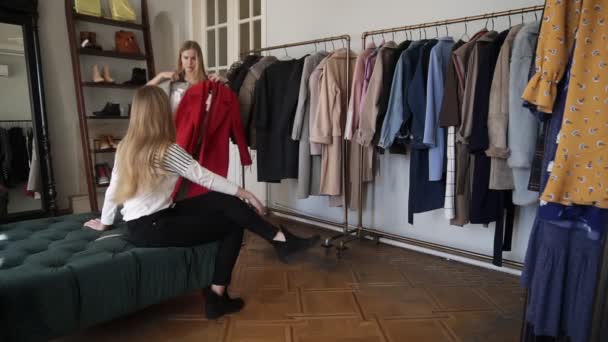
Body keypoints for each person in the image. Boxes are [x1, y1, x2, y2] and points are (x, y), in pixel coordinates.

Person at [84, 86, 319, 319]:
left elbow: (113, 189)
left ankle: (279, 239)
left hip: (143, 225)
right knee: (234, 223)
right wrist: (246, 193)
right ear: (161, 113)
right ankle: (217, 297)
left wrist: (105, 223)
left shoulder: (125, 146)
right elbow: (204, 176)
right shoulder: (167, 150)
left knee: (223, 201)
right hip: (156, 226)